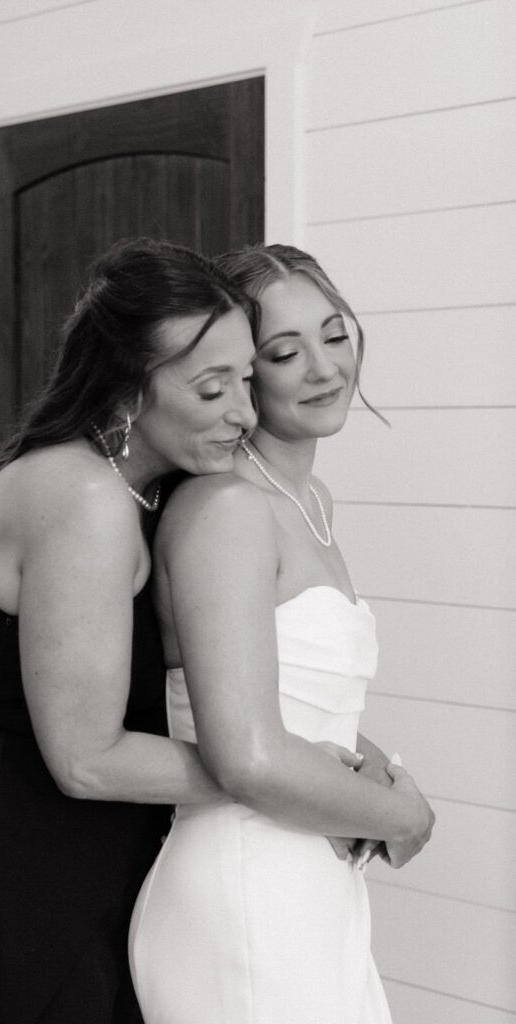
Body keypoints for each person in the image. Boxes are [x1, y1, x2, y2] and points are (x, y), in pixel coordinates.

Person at [0, 238, 259, 1024]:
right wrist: (273, 777)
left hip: (80, 854)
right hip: (11, 863)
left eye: (249, 379)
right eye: (212, 386)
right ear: (130, 388)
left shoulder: (141, 490)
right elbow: (86, 761)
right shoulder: (83, 497)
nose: (245, 413)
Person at [129, 244, 435, 1024]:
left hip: (314, 875)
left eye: (334, 335)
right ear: (240, 372)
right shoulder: (226, 510)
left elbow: (298, 697)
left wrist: (365, 773)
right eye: (284, 352)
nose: (325, 368)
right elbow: (246, 756)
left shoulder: (311, 499)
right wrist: (404, 818)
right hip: (248, 884)